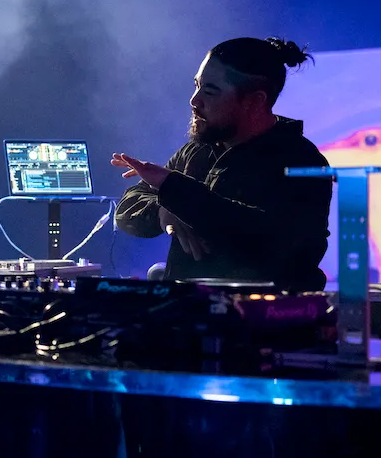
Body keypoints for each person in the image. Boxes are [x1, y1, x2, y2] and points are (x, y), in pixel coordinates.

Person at [113, 36, 332, 291]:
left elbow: (267, 238)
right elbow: (128, 207)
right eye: (196, 86)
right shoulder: (196, 151)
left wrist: (173, 190)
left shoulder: (301, 161)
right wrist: (164, 210)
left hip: (262, 325)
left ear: (255, 101)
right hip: (186, 317)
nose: (194, 101)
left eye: (209, 91)